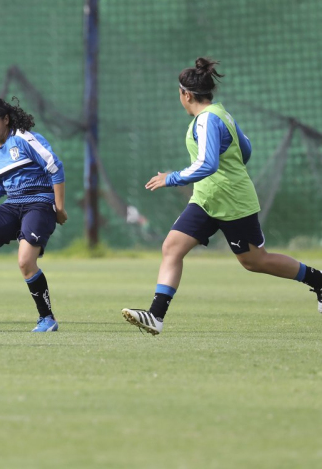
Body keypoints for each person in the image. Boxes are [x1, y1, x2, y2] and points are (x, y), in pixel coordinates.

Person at [122, 57, 322, 335]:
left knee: (255, 262)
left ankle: (318, 280)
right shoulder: (220, 113)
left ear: (186, 94)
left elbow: (207, 164)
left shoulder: (207, 120)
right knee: (172, 247)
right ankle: (156, 316)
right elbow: (247, 149)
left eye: (179, 94)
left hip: (232, 201)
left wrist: (172, 178)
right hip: (206, 200)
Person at [0, 96, 67, 332]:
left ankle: (47, 318)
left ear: (6, 120)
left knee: (25, 262)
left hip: (39, 203)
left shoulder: (25, 138)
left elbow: (55, 168)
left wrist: (59, 208)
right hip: (14, 203)